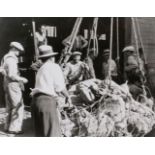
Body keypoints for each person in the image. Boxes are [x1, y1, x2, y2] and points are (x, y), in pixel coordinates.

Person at [31, 45, 71, 137]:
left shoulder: (41, 69)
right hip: (46, 103)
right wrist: (68, 97)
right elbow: (60, 87)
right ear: (52, 57)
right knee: (52, 134)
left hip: (35, 102)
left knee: (41, 134)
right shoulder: (54, 67)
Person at [1, 42, 28, 134]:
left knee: (10, 106)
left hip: (6, 83)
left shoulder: (5, 57)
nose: (19, 53)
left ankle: (7, 126)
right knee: (18, 106)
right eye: (18, 51)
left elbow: (1, 69)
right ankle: (14, 128)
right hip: (13, 84)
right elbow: (12, 75)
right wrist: (22, 79)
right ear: (14, 49)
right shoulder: (11, 59)